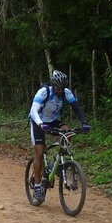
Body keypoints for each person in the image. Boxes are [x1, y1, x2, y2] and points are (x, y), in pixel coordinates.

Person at [28, 69, 90, 204]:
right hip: (37, 121)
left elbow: (77, 108)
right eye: (58, 88)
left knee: (67, 131)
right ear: (53, 85)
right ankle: (37, 186)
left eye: (62, 88)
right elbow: (34, 110)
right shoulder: (44, 92)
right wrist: (40, 124)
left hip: (52, 121)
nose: (60, 91)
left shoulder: (66, 93)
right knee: (39, 151)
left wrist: (84, 122)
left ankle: (56, 160)